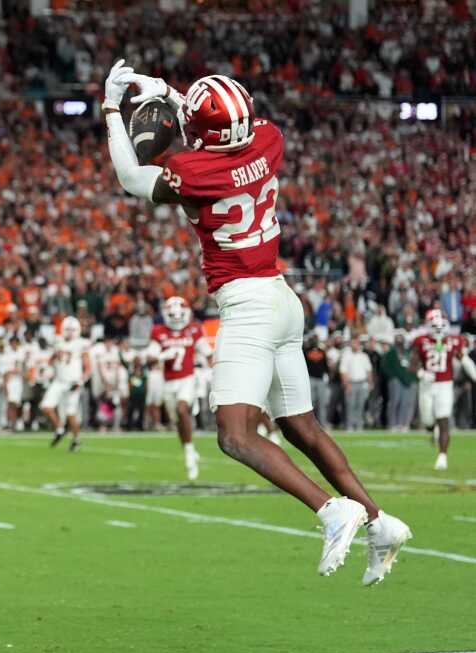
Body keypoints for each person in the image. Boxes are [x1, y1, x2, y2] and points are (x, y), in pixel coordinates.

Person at [104, 62, 411, 583]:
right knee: (300, 426)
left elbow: (133, 176)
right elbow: (222, 130)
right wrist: (172, 94)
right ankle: (380, 523)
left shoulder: (195, 172)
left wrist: (113, 108)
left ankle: (331, 510)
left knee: (235, 435)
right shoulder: (270, 139)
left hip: (246, 304)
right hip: (280, 296)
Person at [147, 297, 211, 480]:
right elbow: (150, 359)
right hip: (168, 382)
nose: (176, 318)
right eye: (172, 314)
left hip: (188, 379)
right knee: (178, 422)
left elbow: (207, 352)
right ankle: (188, 448)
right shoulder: (158, 332)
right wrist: (160, 356)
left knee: (182, 410)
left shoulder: (194, 330)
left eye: (179, 314)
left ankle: (190, 454)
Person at [410, 308, 476, 470]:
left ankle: (442, 456)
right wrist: (421, 373)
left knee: (443, 418)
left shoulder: (453, 341)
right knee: (427, 421)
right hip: (426, 385)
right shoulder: (421, 341)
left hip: (445, 384)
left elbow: (464, 360)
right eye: (434, 325)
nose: (438, 329)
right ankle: (433, 430)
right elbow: (413, 364)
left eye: (441, 325)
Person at [41, 316, 90, 452]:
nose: (69, 332)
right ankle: (60, 429)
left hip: (73, 383)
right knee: (46, 406)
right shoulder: (59, 343)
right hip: (59, 380)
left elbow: (88, 368)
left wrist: (80, 382)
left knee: (70, 413)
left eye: (72, 330)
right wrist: (46, 367)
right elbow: (52, 359)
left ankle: (77, 440)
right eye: (67, 329)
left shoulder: (81, 344)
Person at [381, 332, 417, 431]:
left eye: (401, 339)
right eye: (398, 339)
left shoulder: (408, 352)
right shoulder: (391, 352)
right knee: (394, 402)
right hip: (396, 380)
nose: (400, 341)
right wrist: (393, 376)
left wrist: (409, 376)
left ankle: (403, 424)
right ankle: (392, 424)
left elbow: (413, 365)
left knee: (405, 403)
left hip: (407, 380)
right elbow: (385, 367)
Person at [339, 337, 373, 430]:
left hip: (362, 382)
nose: (355, 345)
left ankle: (359, 425)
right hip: (351, 383)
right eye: (353, 343)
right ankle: (350, 425)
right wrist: (346, 384)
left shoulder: (364, 356)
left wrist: (370, 383)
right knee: (350, 404)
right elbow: (343, 371)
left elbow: (369, 370)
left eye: (356, 343)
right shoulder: (347, 355)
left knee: (360, 405)